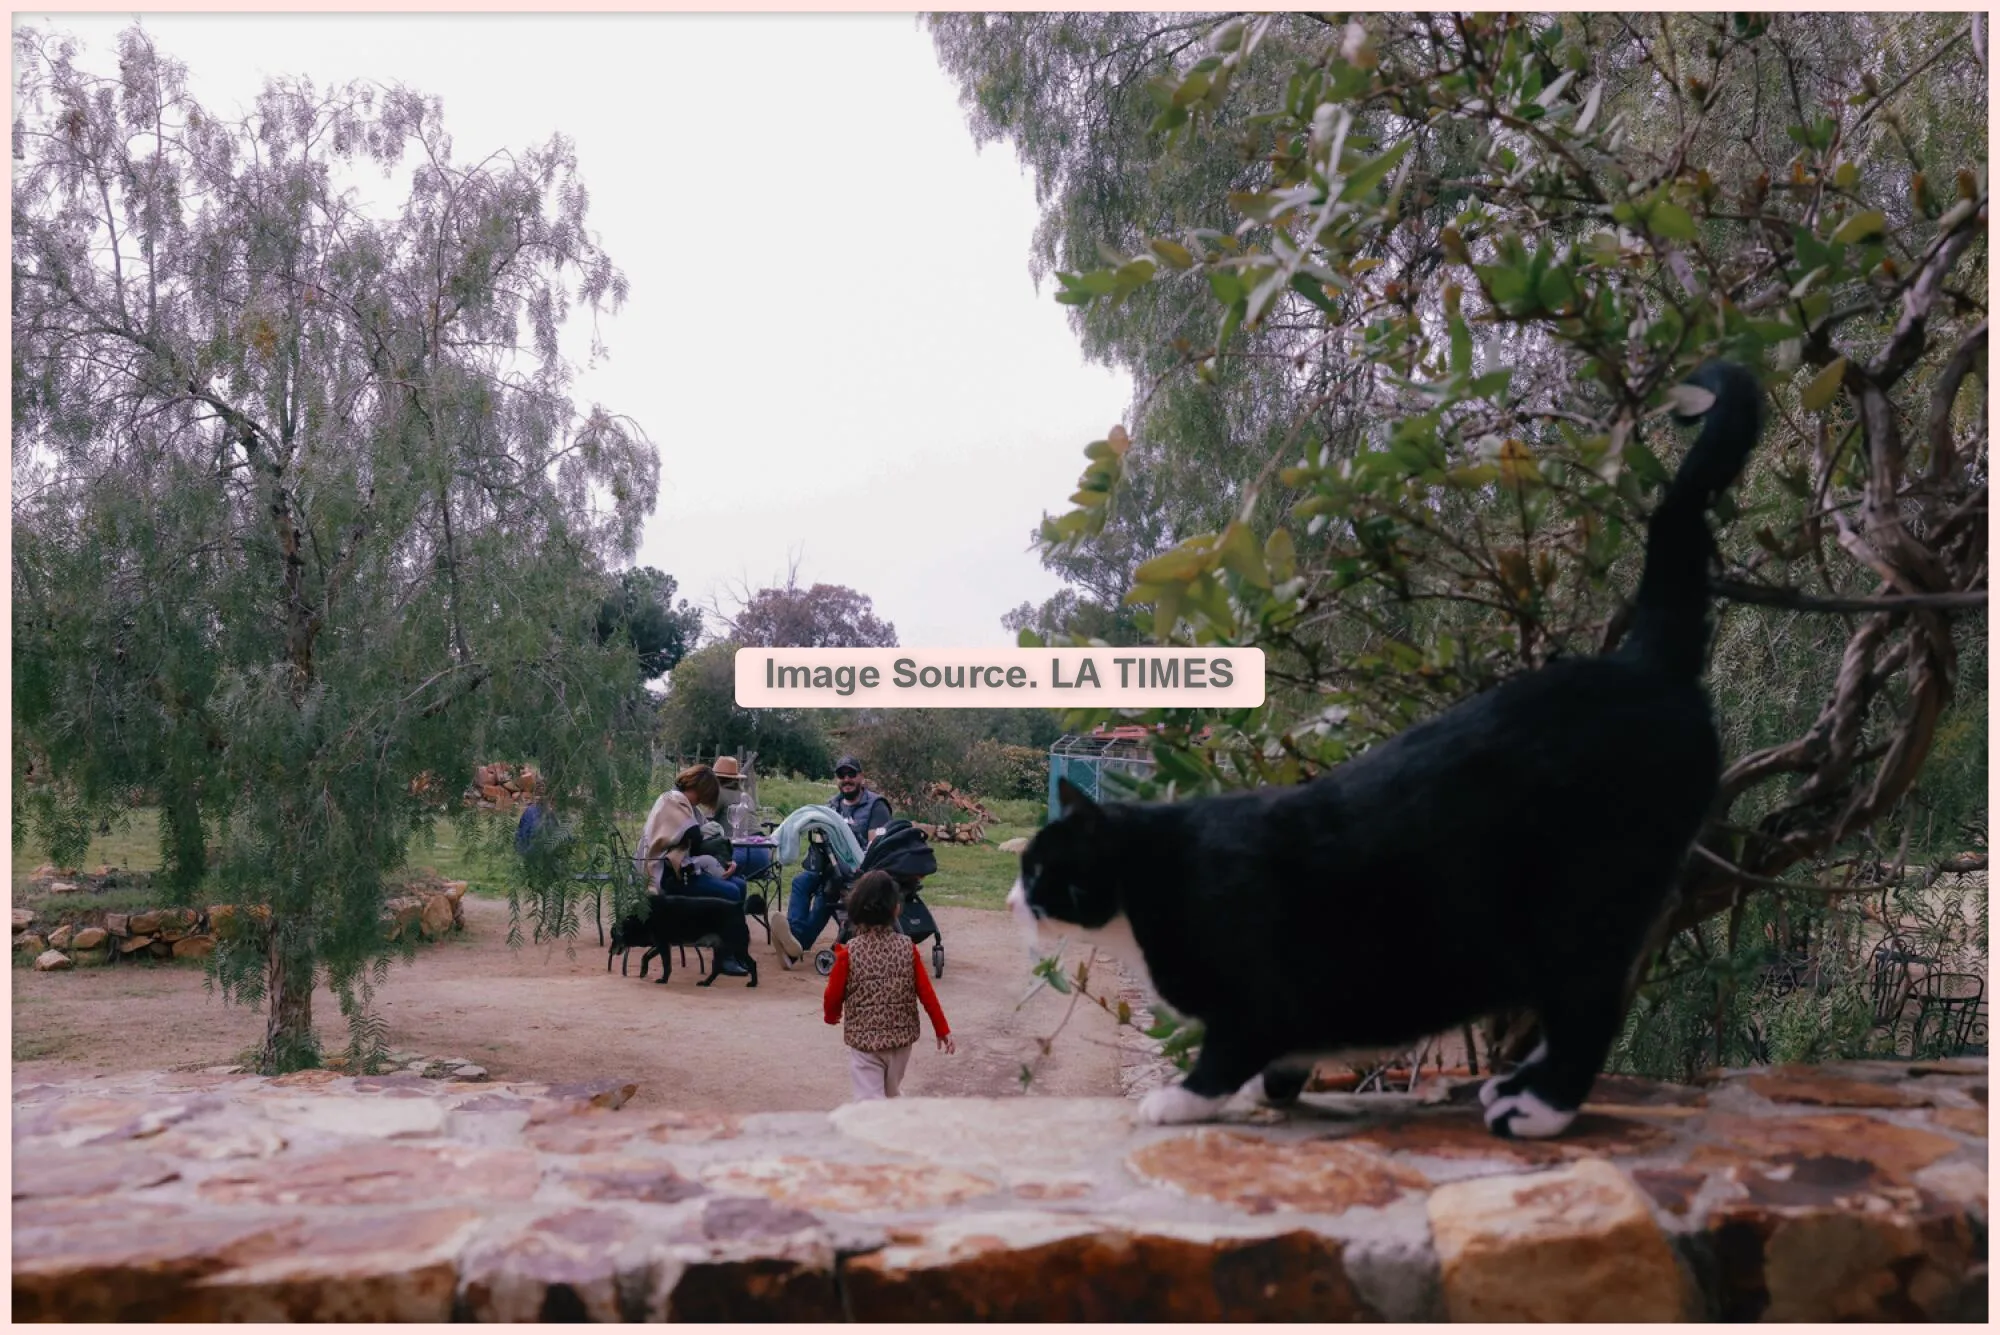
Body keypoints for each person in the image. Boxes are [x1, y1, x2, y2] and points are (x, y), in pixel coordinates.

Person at [822, 870, 953, 1100]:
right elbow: (926, 993)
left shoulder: (848, 953)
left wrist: (831, 1015)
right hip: (901, 1044)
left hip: (865, 1044)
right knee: (890, 1094)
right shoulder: (907, 948)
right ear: (896, 910)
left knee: (870, 1102)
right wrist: (942, 1029)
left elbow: (833, 995)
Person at [772, 754, 893, 964]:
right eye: (841, 775)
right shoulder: (832, 805)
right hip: (828, 864)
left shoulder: (876, 805)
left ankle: (796, 942)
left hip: (856, 870)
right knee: (800, 881)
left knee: (825, 894)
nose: (846, 779)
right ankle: (794, 939)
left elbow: (876, 846)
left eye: (851, 774)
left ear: (861, 777)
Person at [637, 764, 752, 976]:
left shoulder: (685, 804)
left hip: (681, 872)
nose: (702, 801)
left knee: (739, 884)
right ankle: (724, 958)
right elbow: (695, 836)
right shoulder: (673, 799)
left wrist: (726, 863)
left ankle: (733, 950)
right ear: (699, 788)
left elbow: (701, 840)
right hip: (666, 876)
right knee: (731, 892)